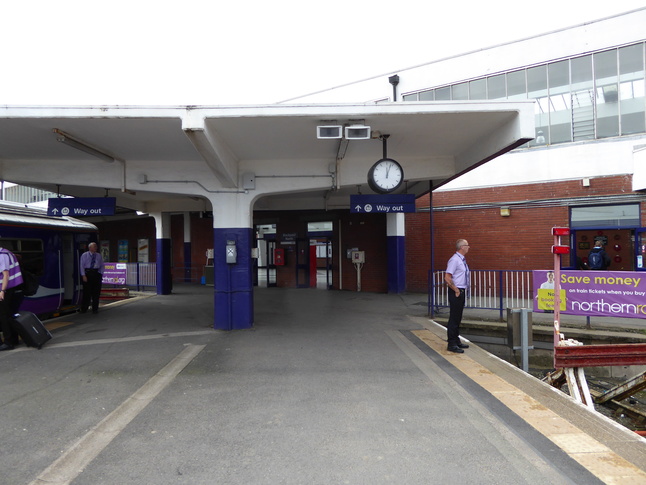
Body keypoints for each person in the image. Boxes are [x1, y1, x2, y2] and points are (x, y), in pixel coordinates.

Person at [444, 239, 470, 353]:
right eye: (467, 245)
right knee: (454, 317)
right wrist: (456, 289)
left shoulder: (462, 260)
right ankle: (452, 343)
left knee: (458, 316)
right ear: (462, 247)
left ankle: (456, 339)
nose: (469, 247)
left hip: (461, 290)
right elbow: (447, 277)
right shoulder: (454, 260)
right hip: (456, 291)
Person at [0, 246, 24, 351]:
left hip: (4, 289)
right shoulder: (6, 253)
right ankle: (13, 340)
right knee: (7, 315)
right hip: (7, 289)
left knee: (3, 316)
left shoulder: (2, 255)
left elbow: (6, 275)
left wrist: (2, 291)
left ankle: (8, 342)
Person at [80, 242, 105, 314]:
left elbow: (102, 265)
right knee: (87, 292)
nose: (96, 248)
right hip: (88, 273)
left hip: (96, 273)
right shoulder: (84, 255)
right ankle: (84, 308)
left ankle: (95, 309)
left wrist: (100, 274)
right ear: (90, 248)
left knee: (96, 292)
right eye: (94, 246)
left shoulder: (99, 256)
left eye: (96, 246)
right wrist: (83, 275)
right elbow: (81, 265)